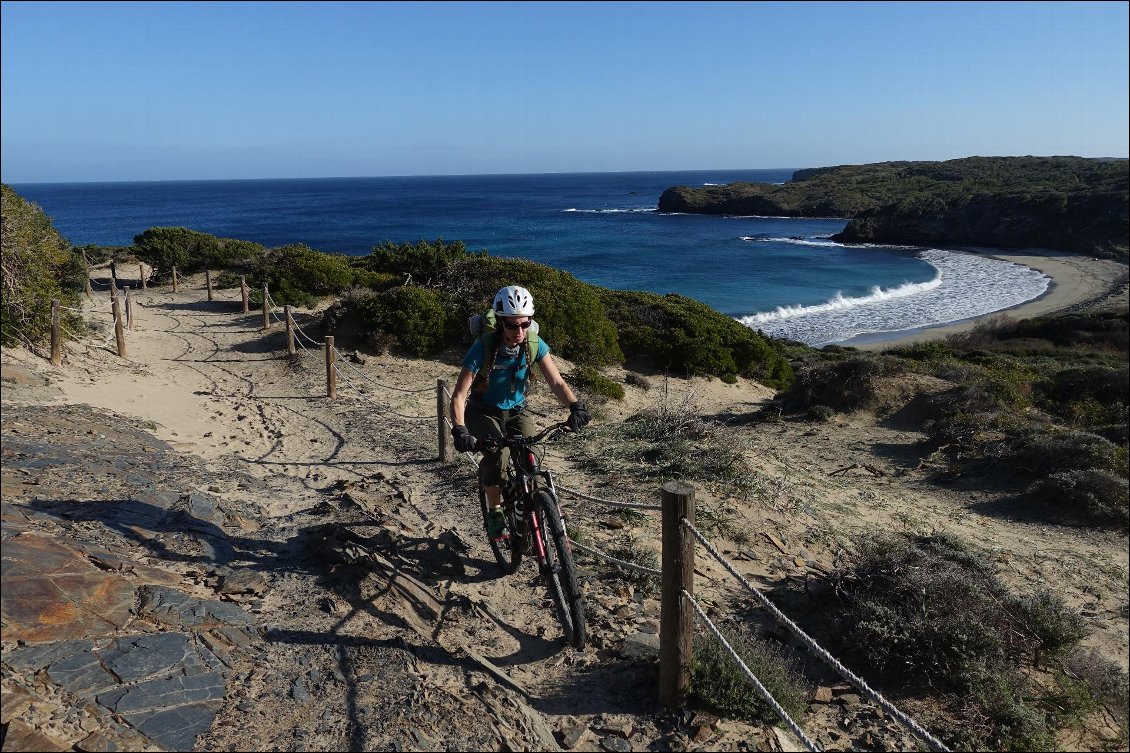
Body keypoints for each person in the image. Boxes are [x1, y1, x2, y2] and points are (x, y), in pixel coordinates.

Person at [449, 285, 590, 540]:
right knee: (497, 455)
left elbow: (556, 382)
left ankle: (532, 511)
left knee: (531, 458)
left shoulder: (534, 343)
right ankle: (495, 512)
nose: (520, 331)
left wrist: (575, 406)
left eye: (525, 324)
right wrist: (459, 430)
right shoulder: (484, 347)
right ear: (501, 323)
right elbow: (459, 395)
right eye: (513, 326)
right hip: (483, 411)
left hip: (516, 410)